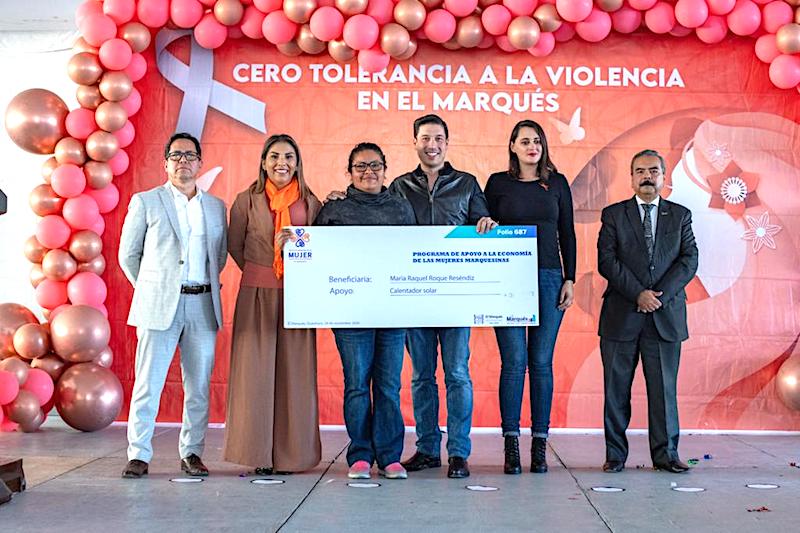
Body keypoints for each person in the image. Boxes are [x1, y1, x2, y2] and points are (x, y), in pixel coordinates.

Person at [392, 114, 497, 479]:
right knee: (421, 376)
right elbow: (383, 227)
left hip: (455, 296)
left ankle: (458, 453)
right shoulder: (400, 185)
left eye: (438, 138)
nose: (431, 144)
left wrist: (485, 224)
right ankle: (425, 449)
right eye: (424, 138)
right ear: (415, 143)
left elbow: (483, 220)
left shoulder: (466, 183)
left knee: (456, 374)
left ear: (447, 144)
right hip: (414, 295)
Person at [119, 132, 228, 479]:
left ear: (200, 163)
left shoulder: (214, 206)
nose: (184, 161)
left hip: (202, 303)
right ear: (165, 162)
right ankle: (138, 454)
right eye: (176, 155)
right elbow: (128, 255)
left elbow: (219, 255)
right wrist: (154, 288)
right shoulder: (146, 201)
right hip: (158, 305)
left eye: (190, 156)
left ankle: (192, 453)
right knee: (148, 382)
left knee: (198, 385)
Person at [315, 142, 417, 480]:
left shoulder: (402, 209)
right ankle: (359, 454)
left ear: (386, 169)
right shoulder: (334, 210)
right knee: (357, 384)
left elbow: (413, 257)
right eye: (360, 166)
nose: (368, 172)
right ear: (349, 172)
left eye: (375, 165)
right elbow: (315, 257)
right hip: (350, 313)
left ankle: (390, 456)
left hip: (393, 312)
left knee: (388, 385)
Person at [223, 134, 322, 474]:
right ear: (263, 161)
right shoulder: (245, 201)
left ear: (298, 163)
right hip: (257, 296)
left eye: (290, 157)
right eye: (275, 156)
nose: (282, 162)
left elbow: (321, 249)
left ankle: (292, 456)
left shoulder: (310, 202)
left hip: (299, 297)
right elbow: (235, 247)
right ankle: (257, 455)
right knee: (255, 375)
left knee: (295, 374)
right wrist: (264, 271)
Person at [597, 149, 698, 474]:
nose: (647, 177)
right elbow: (606, 261)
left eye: (653, 171)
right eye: (640, 171)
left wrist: (658, 296)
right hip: (621, 315)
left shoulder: (680, 215)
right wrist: (638, 294)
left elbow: (689, 260)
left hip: (665, 316)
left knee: (664, 391)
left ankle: (667, 455)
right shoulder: (613, 215)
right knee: (616, 390)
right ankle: (615, 456)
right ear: (631, 177)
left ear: (664, 176)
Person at [484, 120, 576, 475]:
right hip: (505, 279)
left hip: (550, 276)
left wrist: (569, 277)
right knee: (513, 362)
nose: (531, 146)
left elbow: (566, 232)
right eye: (524, 141)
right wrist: (484, 221)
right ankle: (511, 445)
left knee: (540, 362)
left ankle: (539, 444)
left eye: (536, 140)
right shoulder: (497, 183)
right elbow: (480, 220)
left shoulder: (557, 183)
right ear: (512, 146)